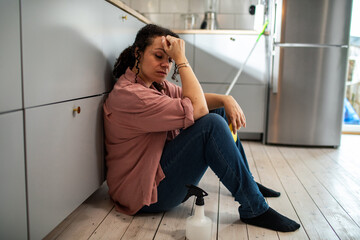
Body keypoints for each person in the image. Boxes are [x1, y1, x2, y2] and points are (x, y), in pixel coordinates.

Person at [103, 24, 300, 232]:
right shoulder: (133, 96)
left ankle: (247, 184)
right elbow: (197, 108)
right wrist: (181, 60)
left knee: (218, 112)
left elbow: (196, 101)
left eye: (169, 60)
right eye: (158, 56)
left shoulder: (152, 84)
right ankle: (255, 207)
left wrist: (225, 99)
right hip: (143, 194)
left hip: (152, 173)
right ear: (138, 53)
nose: (166, 65)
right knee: (210, 125)